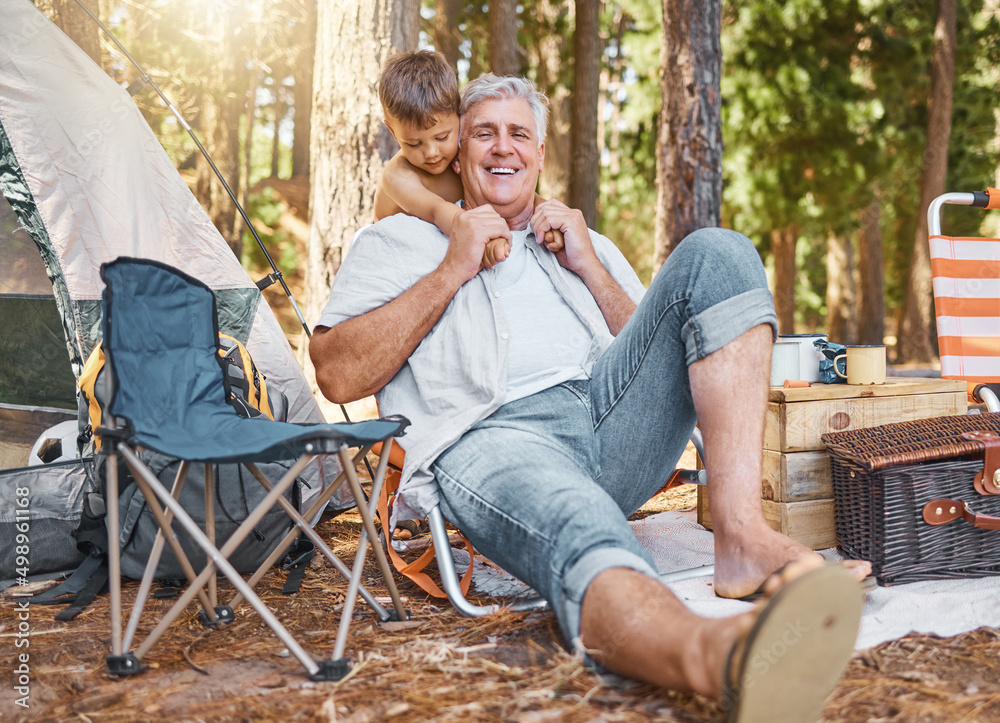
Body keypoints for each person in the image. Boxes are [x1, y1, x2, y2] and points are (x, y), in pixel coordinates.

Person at [311, 73, 871, 718]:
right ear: (458, 151)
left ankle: (742, 537)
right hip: (496, 439)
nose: (502, 148)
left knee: (718, 251)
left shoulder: (580, 240)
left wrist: (590, 264)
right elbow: (335, 375)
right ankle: (715, 656)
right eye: (484, 133)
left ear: (541, 154)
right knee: (582, 525)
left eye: (519, 134)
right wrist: (453, 264)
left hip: (613, 421)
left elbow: (683, 344)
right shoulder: (399, 239)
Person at [374, 50, 561, 269]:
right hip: (394, 254)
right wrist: (487, 237)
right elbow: (437, 210)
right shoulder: (399, 176)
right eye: (414, 144)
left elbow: (526, 193)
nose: (432, 152)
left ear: (458, 114)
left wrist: (549, 216)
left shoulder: (464, 154)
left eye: (442, 137)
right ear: (393, 132)